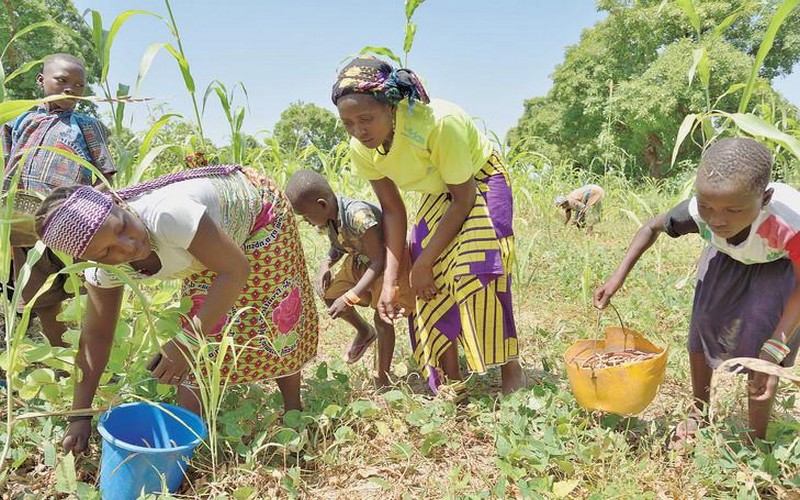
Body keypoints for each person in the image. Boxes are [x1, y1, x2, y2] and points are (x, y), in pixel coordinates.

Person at [34, 165, 318, 453]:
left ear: (119, 203)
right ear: (90, 259)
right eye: (107, 252)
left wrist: (186, 342)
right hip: (204, 241)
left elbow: (235, 270)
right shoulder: (105, 272)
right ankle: (188, 441)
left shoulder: (169, 215)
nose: (127, 247)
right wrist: (79, 416)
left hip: (260, 213)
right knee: (200, 325)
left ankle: (293, 411)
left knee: (278, 313)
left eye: (121, 227)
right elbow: (96, 337)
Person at [331, 56, 526, 397]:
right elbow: (393, 210)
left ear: (390, 106)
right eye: (348, 123)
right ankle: (450, 378)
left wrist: (422, 263)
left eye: (366, 119)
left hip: (479, 180)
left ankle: (510, 368)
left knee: (479, 266)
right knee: (425, 279)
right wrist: (392, 280)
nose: (358, 131)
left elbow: (464, 198)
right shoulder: (361, 150)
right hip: (439, 191)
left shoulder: (437, 124)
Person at [594, 138, 800, 443]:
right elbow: (650, 227)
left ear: (765, 198)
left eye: (734, 210)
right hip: (726, 257)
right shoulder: (697, 213)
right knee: (703, 322)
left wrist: (774, 348)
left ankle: (755, 440)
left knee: (765, 348)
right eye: (707, 207)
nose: (717, 220)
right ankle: (699, 410)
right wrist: (616, 278)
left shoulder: (789, 226)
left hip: (777, 262)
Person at [2, 53, 115, 347]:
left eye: (78, 85)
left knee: (84, 284)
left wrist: (90, 210)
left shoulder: (87, 126)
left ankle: (93, 349)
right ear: (41, 80)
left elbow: (105, 176)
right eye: (62, 81)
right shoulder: (19, 119)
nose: (70, 89)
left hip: (71, 219)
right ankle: (60, 352)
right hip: (23, 218)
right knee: (40, 293)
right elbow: (7, 163)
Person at [285, 169, 415, 387]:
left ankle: (383, 378)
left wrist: (350, 297)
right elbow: (338, 245)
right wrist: (326, 264)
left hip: (387, 266)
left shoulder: (358, 216)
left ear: (322, 205)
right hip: (361, 262)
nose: (306, 221)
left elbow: (379, 261)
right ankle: (364, 332)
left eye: (306, 216)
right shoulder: (330, 217)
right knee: (329, 294)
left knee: (382, 318)